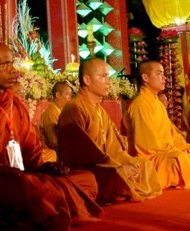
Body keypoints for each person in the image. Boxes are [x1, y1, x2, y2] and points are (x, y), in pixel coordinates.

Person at [0, 42, 102, 231]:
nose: (13, 71)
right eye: (4, 65)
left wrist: (45, 167)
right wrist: (6, 172)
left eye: (12, 64)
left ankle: (43, 198)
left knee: (87, 178)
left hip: (17, 174)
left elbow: (30, 149)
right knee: (18, 186)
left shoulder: (13, 103)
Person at [57, 58, 163, 203]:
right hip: (85, 170)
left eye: (108, 76)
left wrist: (127, 161)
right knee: (115, 174)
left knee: (143, 165)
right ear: (87, 80)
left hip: (106, 164)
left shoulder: (99, 110)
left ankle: (125, 184)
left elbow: (113, 147)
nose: (108, 82)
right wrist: (117, 166)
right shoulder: (74, 108)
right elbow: (83, 153)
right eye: (103, 76)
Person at [125, 61, 190, 189]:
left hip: (169, 152)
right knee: (180, 160)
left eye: (164, 74)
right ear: (145, 78)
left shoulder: (158, 105)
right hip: (152, 159)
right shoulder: (139, 105)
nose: (164, 78)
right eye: (159, 74)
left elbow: (173, 133)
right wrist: (175, 150)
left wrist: (184, 147)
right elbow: (146, 145)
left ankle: (184, 173)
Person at [38, 81, 74, 157]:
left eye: (70, 95)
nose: (70, 98)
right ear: (58, 95)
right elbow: (54, 142)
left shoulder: (60, 110)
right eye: (67, 94)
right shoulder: (51, 112)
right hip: (49, 154)